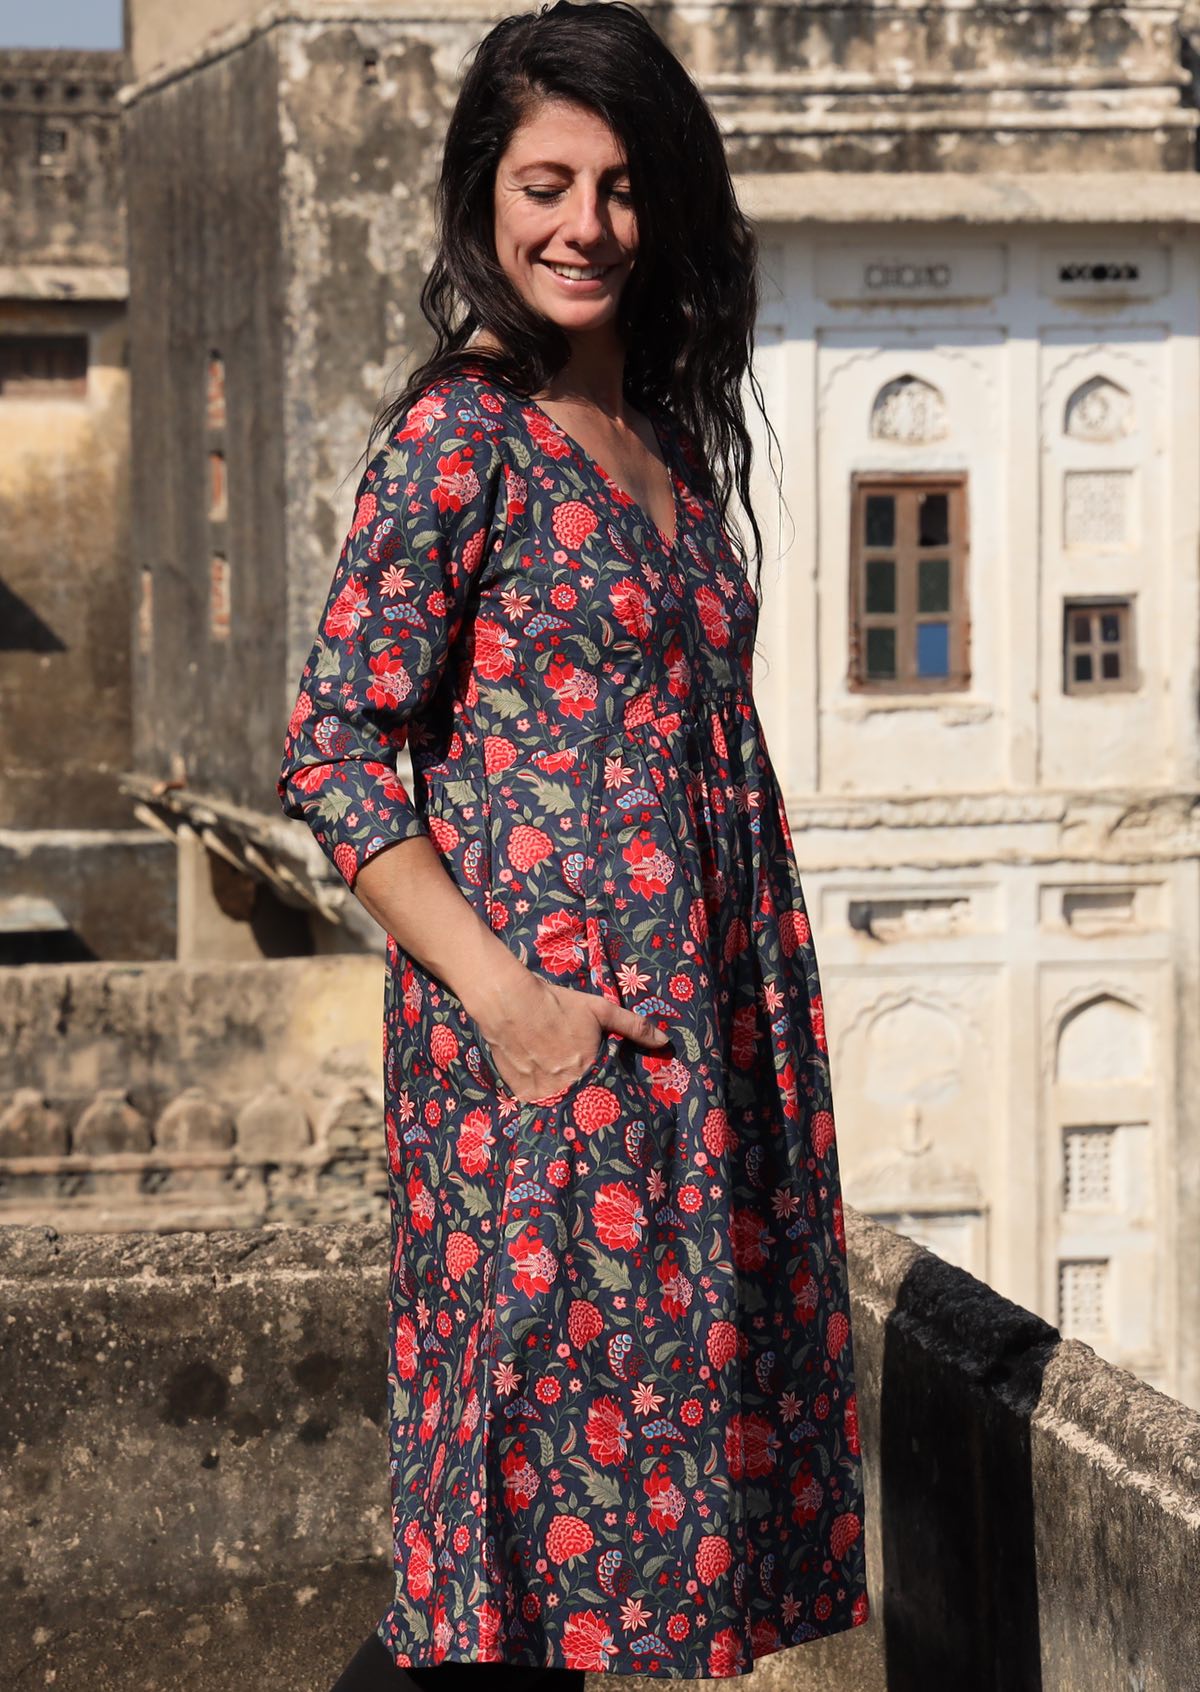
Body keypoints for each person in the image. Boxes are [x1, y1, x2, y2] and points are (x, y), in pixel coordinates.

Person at [278, 2, 870, 1685]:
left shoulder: (664, 435)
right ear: (485, 194)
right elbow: (334, 751)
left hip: (696, 1060)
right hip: (544, 1066)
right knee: (503, 1559)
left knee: (592, 1571)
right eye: (547, 184)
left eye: (619, 186)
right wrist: (511, 1003)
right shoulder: (463, 436)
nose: (585, 226)